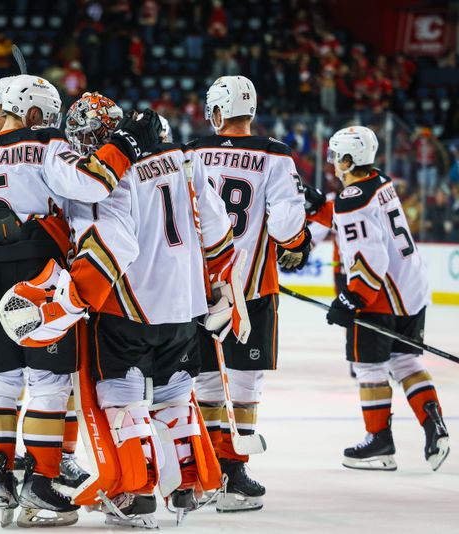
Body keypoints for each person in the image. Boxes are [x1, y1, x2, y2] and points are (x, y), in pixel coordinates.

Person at [0, 74, 161, 527]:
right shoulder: (45, 143)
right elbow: (91, 184)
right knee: (48, 384)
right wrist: (127, 145)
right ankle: (39, 480)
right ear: (34, 113)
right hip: (41, 273)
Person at [56, 92, 240, 527]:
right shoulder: (181, 158)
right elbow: (216, 228)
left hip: (130, 302)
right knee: (176, 392)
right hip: (184, 304)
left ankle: (136, 496)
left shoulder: (108, 177)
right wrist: (218, 281)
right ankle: (187, 486)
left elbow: (111, 245)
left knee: (123, 399)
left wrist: (69, 299)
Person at [186, 75, 310, 512]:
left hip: (198, 288)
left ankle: (204, 471)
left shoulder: (191, 152)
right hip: (252, 286)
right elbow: (284, 228)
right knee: (244, 382)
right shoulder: (275, 155)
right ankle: (234, 473)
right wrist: (298, 241)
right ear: (251, 112)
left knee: (202, 380)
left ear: (216, 112)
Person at [309, 126, 449, 471]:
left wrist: (351, 298)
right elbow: (357, 215)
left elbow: (370, 258)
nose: (332, 164)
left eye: (335, 157)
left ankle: (379, 443)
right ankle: (435, 426)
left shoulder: (351, 199)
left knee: (369, 366)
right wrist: (321, 206)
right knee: (405, 361)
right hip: (412, 288)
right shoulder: (380, 181)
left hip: (380, 295)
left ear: (347, 160)